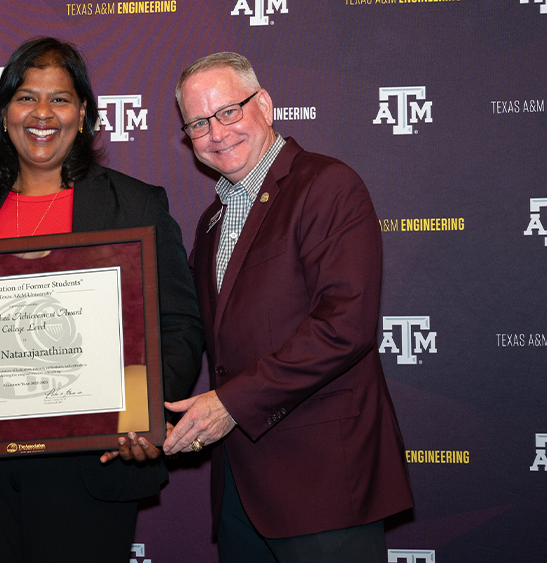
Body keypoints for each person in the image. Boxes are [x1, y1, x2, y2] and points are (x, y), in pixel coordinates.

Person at [0, 37, 203, 563]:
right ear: (4, 112)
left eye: (60, 98)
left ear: (83, 114)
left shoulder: (135, 205)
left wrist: (137, 414)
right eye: (26, 97)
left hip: (91, 462)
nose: (42, 113)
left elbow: (178, 325)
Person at [163, 52, 414, 563]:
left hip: (322, 482)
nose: (217, 132)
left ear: (266, 104)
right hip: (241, 485)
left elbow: (344, 325)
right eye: (198, 123)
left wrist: (229, 404)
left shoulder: (326, 185)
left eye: (229, 111)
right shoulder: (211, 222)